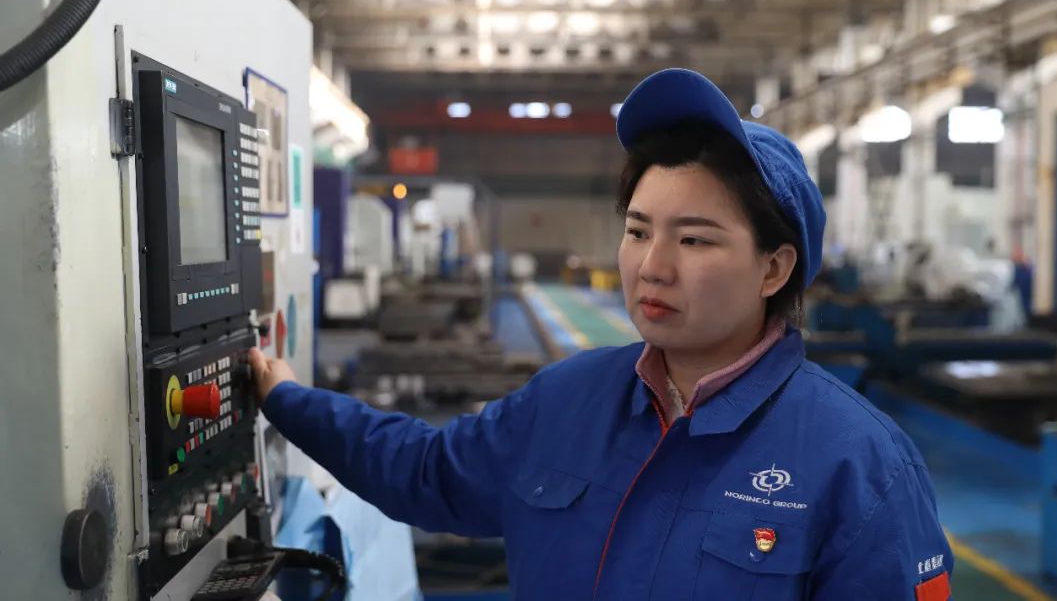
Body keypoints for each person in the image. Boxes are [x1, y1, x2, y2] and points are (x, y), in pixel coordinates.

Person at [249, 68, 953, 600]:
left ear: (774, 267)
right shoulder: (567, 401)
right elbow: (426, 471)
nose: (653, 265)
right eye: (638, 231)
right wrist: (287, 399)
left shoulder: (859, 464)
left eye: (694, 239)